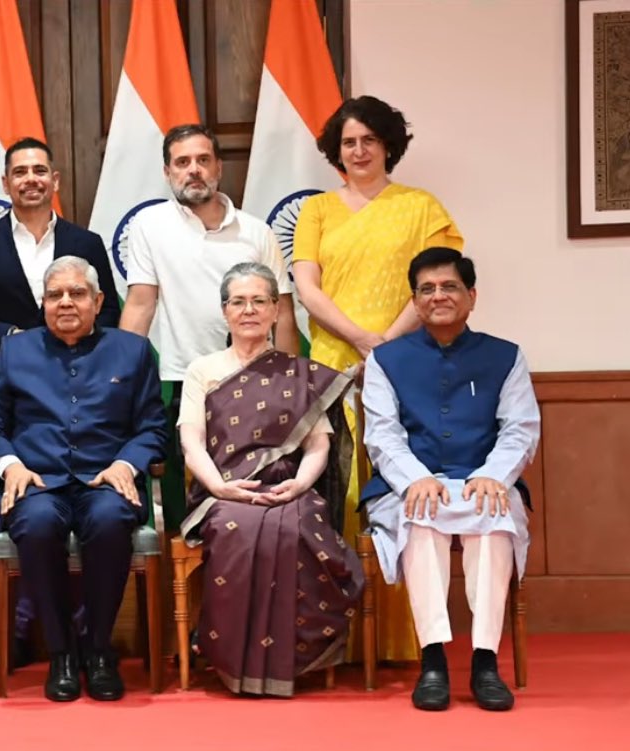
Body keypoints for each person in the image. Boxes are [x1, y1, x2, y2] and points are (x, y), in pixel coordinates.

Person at [292, 95, 464, 660]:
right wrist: (363, 341)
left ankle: (405, 640)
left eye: (369, 139)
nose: (358, 150)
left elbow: (438, 283)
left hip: (408, 362)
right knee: (335, 490)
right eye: (348, 142)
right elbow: (307, 288)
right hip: (333, 365)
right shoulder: (317, 210)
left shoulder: (421, 207)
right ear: (335, 151)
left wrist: (387, 347)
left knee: (401, 487)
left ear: (388, 143)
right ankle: (334, 640)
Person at [0, 136, 118, 665]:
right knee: (31, 506)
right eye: (20, 171)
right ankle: (23, 632)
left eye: (40, 169)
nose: (31, 179)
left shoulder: (85, 243)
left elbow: (106, 318)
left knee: (86, 507)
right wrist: (13, 337)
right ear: (5, 184)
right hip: (12, 391)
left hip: (83, 393)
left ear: (55, 180)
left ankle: (87, 637)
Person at [0, 256, 167, 702]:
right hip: (38, 483)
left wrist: (126, 464)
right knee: (38, 524)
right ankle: (61, 652)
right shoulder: (15, 351)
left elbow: (153, 428)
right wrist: (11, 465)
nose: (65, 302)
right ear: (42, 302)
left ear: (98, 301)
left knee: (109, 521)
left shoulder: (132, 350)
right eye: (55, 294)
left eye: (77, 293)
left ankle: (98, 650)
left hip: (106, 481)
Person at [361, 248, 539, 711]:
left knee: (493, 516)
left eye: (449, 286)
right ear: (416, 302)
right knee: (422, 517)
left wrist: (493, 476)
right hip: (410, 484)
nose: (438, 296)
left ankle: (485, 661)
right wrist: (415, 479)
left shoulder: (505, 356)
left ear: (471, 296)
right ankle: (433, 659)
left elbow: (520, 428)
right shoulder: (385, 359)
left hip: (484, 480)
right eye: (427, 289)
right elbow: (382, 434)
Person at [178, 262, 363, 696]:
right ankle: (231, 659)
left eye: (260, 301)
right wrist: (219, 488)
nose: (249, 310)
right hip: (222, 490)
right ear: (224, 310)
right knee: (234, 529)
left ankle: (291, 660)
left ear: (277, 311)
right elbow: (192, 442)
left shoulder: (299, 373)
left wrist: (300, 485)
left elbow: (319, 445)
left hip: (288, 488)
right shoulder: (203, 370)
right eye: (239, 302)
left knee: (301, 526)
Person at [120, 123, 299, 526]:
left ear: (218, 167)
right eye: (182, 162)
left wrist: (289, 382)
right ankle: (189, 587)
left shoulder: (256, 231)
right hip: (185, 381)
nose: (194, 170)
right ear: (168, 172)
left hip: (258, 383)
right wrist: (118, 378)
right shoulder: (150, 225)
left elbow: (283, 313)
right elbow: (140, 305)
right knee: (186, 503)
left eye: (203, 160)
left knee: (259, 493)